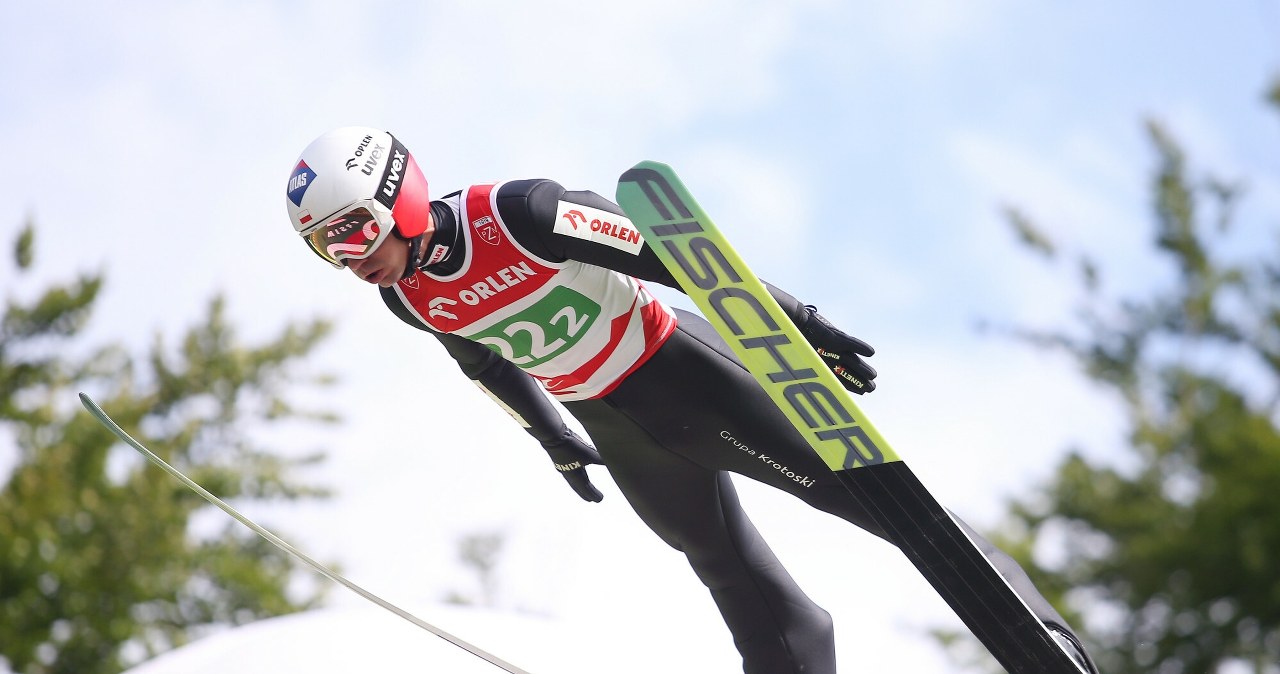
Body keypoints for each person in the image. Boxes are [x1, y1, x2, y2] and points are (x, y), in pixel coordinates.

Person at [283, 126, 1098, 674]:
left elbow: (676, 257)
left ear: (399, 195)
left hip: (690, 377)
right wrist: (552, 437)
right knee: (741, 590)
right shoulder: (407, 297)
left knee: (897, 513)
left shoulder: (519, 213)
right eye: (326, 248)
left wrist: (795, 319)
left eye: (352, 230)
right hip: (626, 436)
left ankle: (1048, 648)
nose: (351, 259)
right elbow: (484, 364)